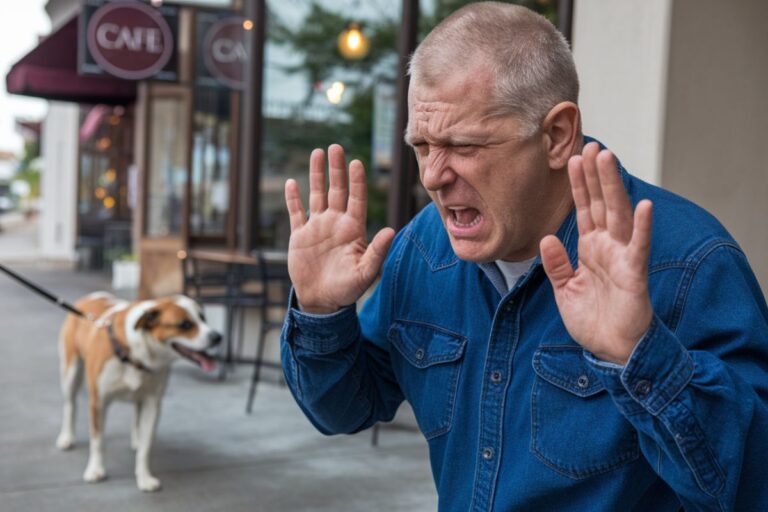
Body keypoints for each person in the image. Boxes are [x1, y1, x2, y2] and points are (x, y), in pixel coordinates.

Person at [280, 3, 768, 510]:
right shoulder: (423, 249)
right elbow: (344, 409)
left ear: (556, 135)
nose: (432, 176)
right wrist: (320, 314)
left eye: (463, 144)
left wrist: (639, 356)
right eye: (422, 145)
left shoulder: (689, 262)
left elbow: (750, 487)